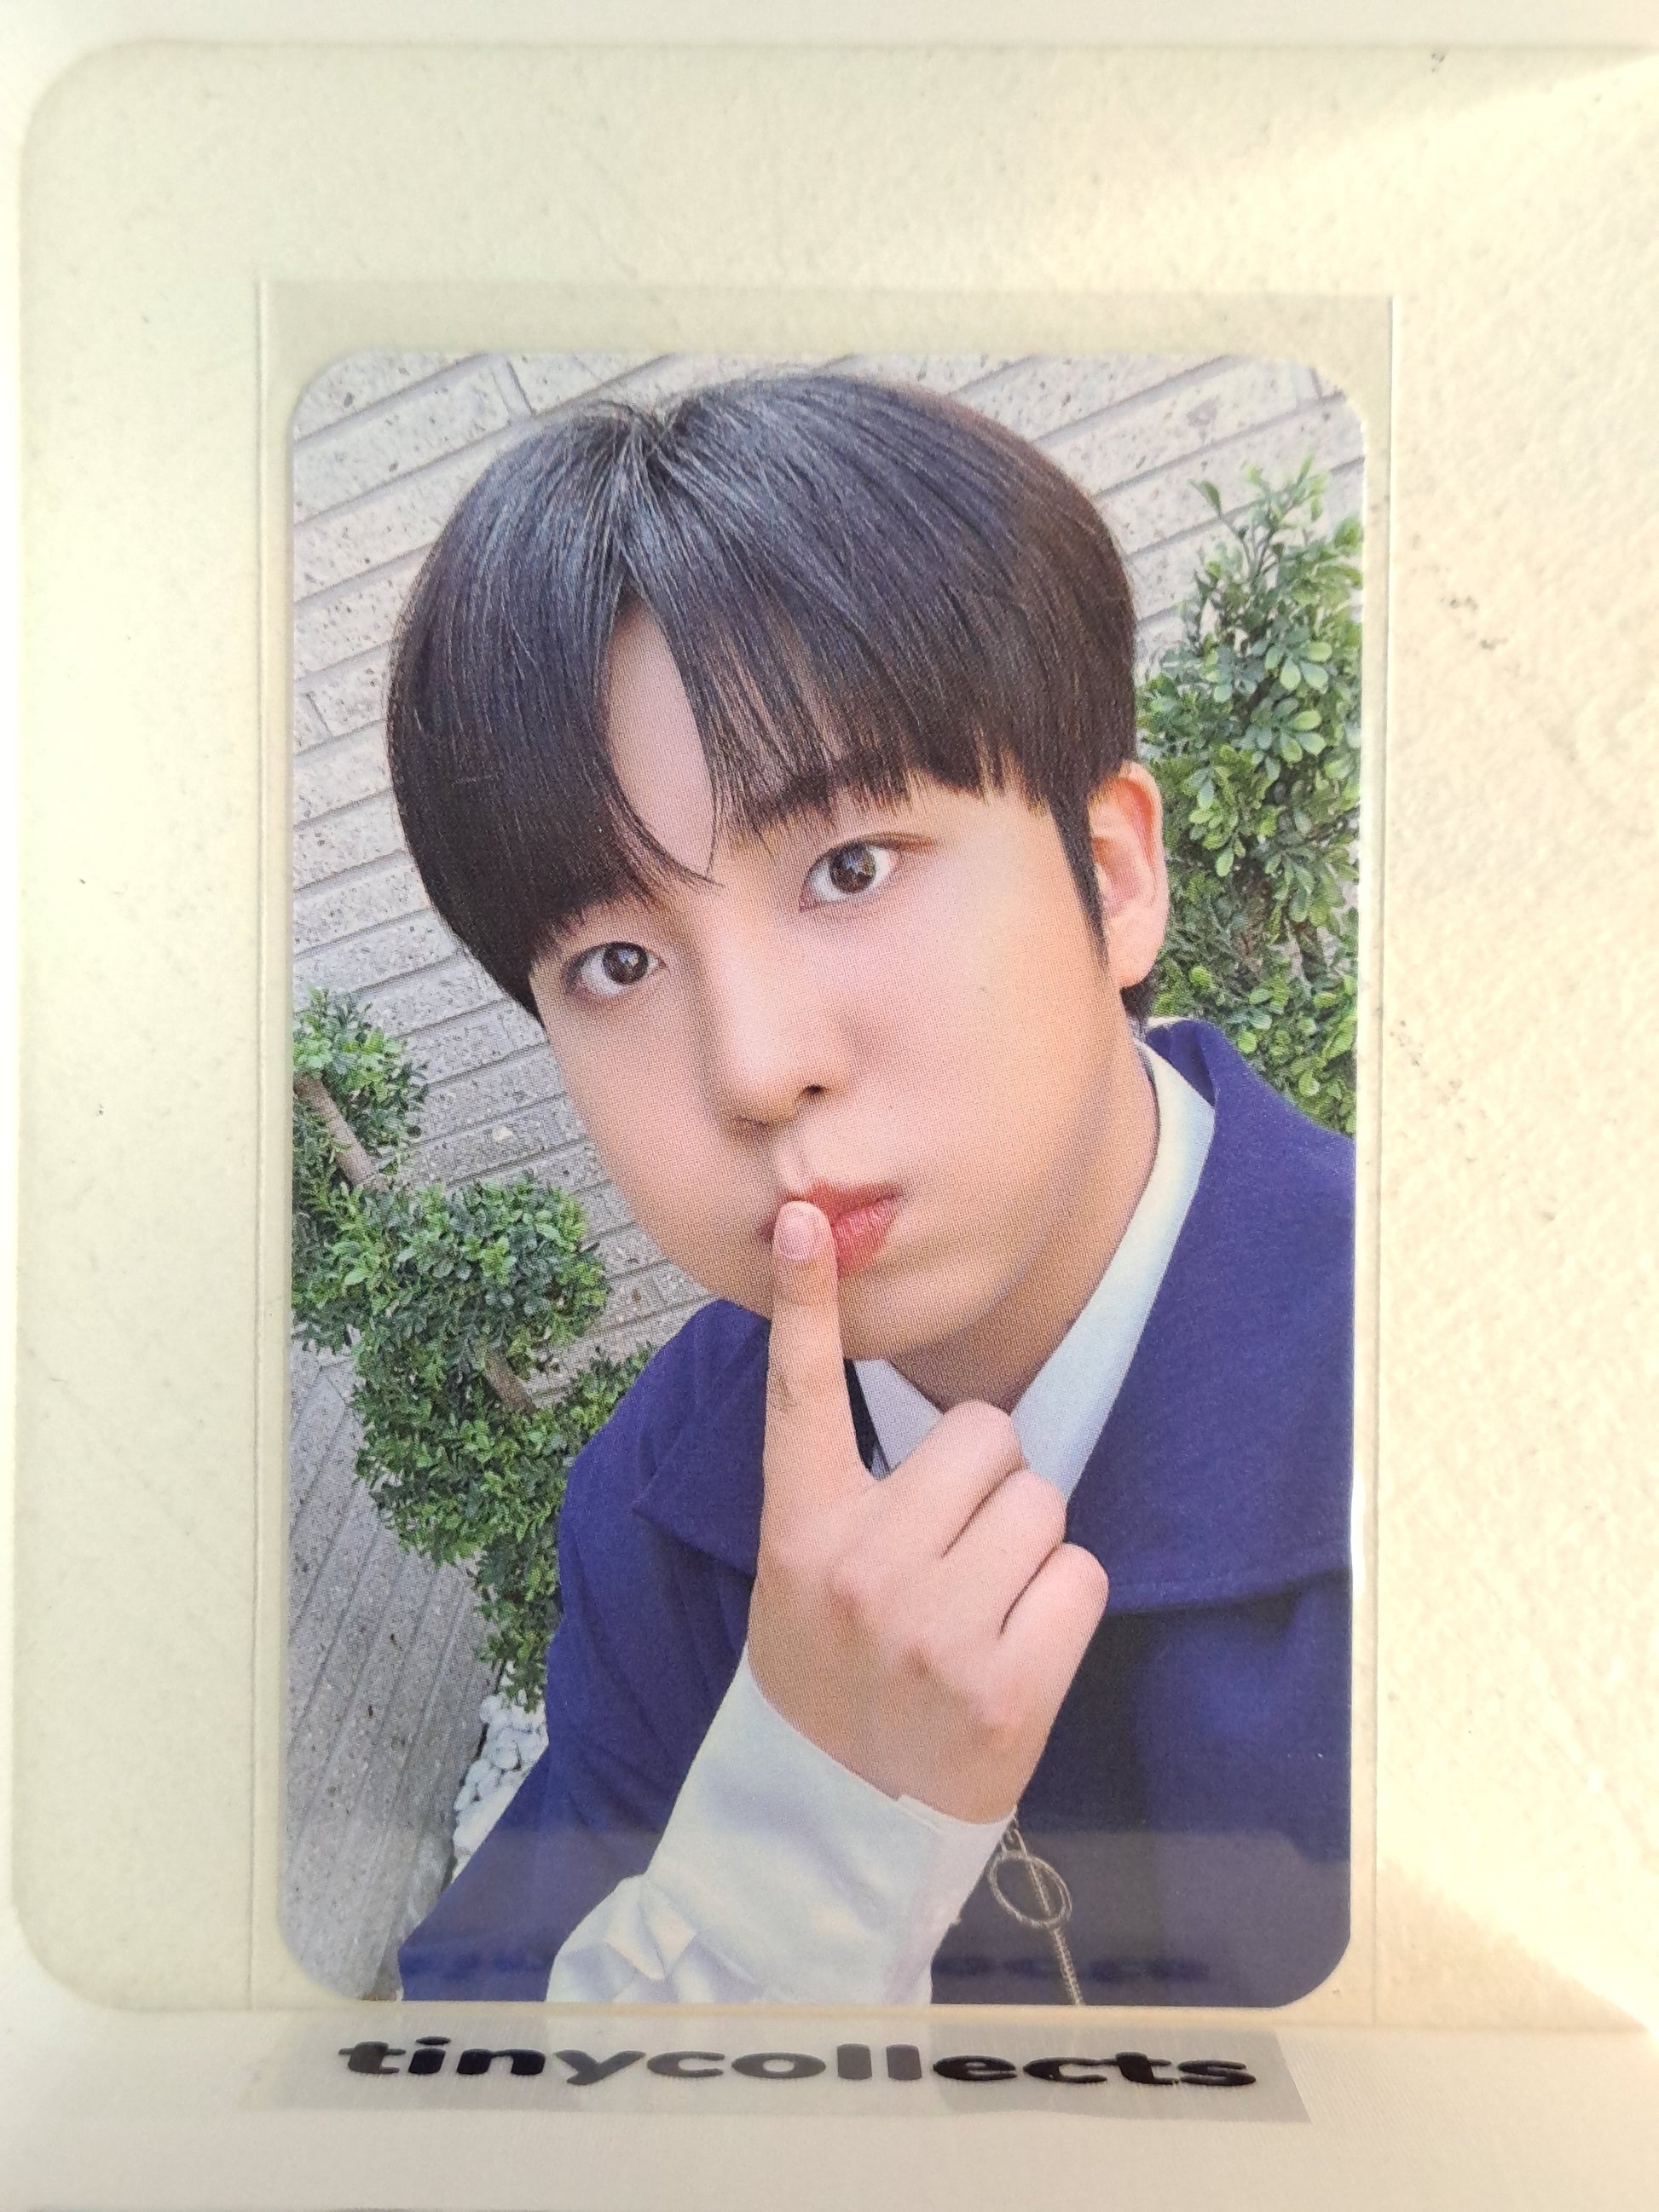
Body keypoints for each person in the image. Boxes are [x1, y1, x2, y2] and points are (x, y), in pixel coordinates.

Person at [385, 371, 1353, 2007]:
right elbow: (467, 2057)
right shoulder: (659, 1505)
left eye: (849, 868)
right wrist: (795, 1863)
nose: (755, 1070)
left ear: (1111, 874)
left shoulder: (1488, 1424)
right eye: (615, 961)